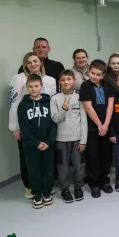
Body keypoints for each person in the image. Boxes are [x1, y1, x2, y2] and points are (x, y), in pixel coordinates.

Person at [9, 52, 56, 199]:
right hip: (27, 124)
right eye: (29, 62)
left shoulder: (50, 80)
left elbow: (53, 104)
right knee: (27, 158)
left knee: (47, 160)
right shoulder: (18, 79)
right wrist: (14, 127)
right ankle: (30, 186)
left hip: (45, 125)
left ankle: (46, 186)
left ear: (41, 62)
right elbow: (14, 104)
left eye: (35, 61)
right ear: (25, 65)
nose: (33, 64)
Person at [18, 74, 57, 209]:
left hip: (48, 144)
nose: (33, 89)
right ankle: (37, 194)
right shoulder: (23, 105)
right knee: (34, 170)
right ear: (26, 87)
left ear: (42, 86)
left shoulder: (49, 102)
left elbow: (54, 123)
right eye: (30, 86)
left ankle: (47, 192)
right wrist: (35, 143)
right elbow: (24, 128)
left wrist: (49, 141)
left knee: (48, 169)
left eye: (36, 86)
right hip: (31, 145)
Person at [79, 59, 115, 198]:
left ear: (103, 75)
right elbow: (88, 107)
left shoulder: (108, 85)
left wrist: (106, 124)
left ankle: (104, 181)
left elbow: (110, 106)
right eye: (92, 73)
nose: (94, 76)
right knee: (93, 156)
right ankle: (94, 184)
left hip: (106, 126)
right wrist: (99, 125)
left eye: (98, 74)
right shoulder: (85, 86)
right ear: (89, 71)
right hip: (92, 127)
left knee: (106, 155)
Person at [50, 70, 87, 203]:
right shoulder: (54, 99)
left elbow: (84, 120)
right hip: (61, 139)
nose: (66, 82)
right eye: (63, 80)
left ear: (74, 81)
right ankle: (64, 188)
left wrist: (83, 140)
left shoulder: (79, 97)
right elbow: (55, 119)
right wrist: (64, 109)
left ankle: (78, 186)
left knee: (79, 164)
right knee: (62, 166)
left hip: (77, 138)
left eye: (69, 79)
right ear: (59, 82)